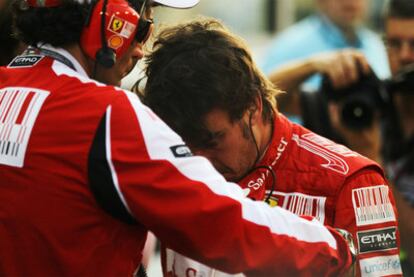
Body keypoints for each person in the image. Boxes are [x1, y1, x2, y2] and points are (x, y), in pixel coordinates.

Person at [0, 0, 356, 276]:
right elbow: (222, 221)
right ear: (110, 19)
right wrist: (335, 247)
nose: (141, 48)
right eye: (142, 25)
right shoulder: (106, 115)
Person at [142, 18, 402, 277]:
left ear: (253, 107)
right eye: (182, 146)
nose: (198, 161)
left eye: (213, 141)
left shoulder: (355, 181)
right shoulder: (169, 169)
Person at [261, 0, 390, 90]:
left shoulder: (377, 46)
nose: (350, 2)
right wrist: (311, 67)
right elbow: (261, 97)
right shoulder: (289, 45)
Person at [382, 0, 414, 274]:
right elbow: (264, 105)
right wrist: (316, 64)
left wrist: (370, 156)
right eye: (394, 43)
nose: (404, 56)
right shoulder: (370, 99)